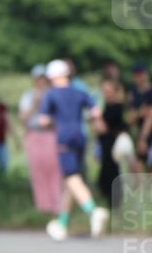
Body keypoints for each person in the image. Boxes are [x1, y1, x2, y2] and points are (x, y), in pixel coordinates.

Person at [38, 59, 110, 241]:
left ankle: (93, 211)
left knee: (71, 178)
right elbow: (96, 111)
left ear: (53, 77)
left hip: (64, 138)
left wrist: (51, 122)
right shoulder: (80, 91)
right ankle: (62, 224)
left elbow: (43, 120)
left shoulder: (51, 94)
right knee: (70, 180)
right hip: (80, 137)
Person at [19, 65, 62, 213]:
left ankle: (57, 205)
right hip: (34, 134)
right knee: (38, 171)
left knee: (55, 169)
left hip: (51, 133)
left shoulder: (54, 95)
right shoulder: (28, 96)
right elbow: (23, 118)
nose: (41, 81)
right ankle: (43, 206)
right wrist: (35, 105)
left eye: (44, 78)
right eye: (39, 79)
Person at [95, 79, 129, 206]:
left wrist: (97, 116)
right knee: (103, 180)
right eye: (104, 91)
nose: (106, 93)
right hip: (105, 147)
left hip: (113, 147)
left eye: (108, 91)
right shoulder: (107, 107)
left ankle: (116, 205)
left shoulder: (117, 108)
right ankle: (111, 205)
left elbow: (102, 129)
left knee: (111, 176)